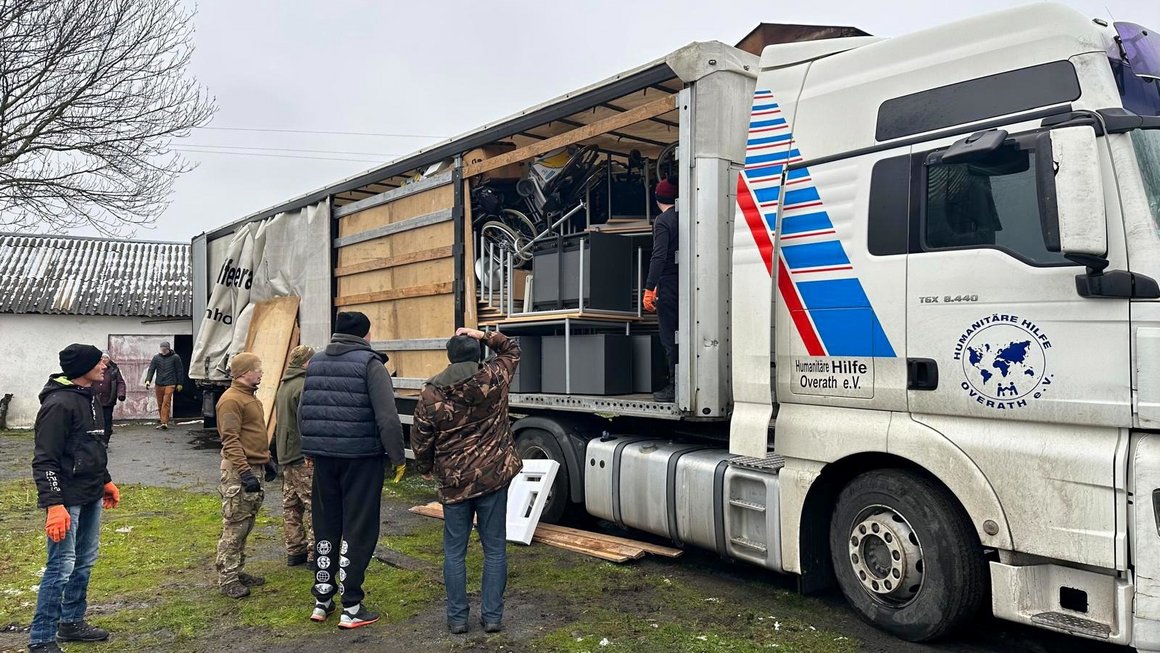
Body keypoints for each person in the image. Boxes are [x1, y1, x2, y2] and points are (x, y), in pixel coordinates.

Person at [412, 327, 523, 635]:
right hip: (493, 476)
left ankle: (458, 618)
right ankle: (492, 617)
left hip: (454, 481)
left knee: (454, 551)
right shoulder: (495, 377)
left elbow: (421, 437)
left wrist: (424, 467)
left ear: (449, 357)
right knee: (495, 549)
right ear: (477, 355)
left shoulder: (431, 392)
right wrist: (483, 334)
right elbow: (512, 348)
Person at [299, 311, 406, 629]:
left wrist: (309, 449)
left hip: (324, 458)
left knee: (326, 524)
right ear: (365, 334)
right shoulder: (370, 364)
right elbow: (387, 416)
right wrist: (398, 456)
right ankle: (352, 606)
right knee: (358, 527)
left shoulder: (316, 362)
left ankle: (322, 599)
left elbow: (304, 409)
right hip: (361, 457)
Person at [29, 344, 121, 653]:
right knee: (61, 566)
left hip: (91, 493)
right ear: (83, 367)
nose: (104, 366)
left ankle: (71, 622)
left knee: (84, 562)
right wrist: (54, 505)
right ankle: (41, 638)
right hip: (66, 499)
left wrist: (105, 481)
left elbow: (91, 446)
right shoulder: (58, 404)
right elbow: (45, 460)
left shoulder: (89, 396)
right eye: (99, 362)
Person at [214, 352, 276, 599]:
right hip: (240, 471)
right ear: (244, 373)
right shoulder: (231, 400)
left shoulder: (250, 398)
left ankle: (237, 570)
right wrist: (244, 472)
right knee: (235, 524)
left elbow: (253, 435)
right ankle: (227, 578)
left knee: (247, 522)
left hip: (254, 467)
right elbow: (230, 440)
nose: (261, 373)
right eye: (257, 369)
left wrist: (267, 460)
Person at [271, 344, 316, 569]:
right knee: (314, 504)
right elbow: (308, 422)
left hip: (286, 453)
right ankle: (315, 553)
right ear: (306, 362)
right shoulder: (304, 386)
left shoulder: (285, 385)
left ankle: (295, 549)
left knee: (291, 505)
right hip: (301, 454)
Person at [643, 177, 679, 403]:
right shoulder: (687, 216)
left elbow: (658, 256)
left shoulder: (663, 221)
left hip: (668, 285)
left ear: (658, 199)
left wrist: (649, 287)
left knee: (669, 337)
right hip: (687, 283)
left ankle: (675, 387)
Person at [144, 341, 184, 430]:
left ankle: (164, 423)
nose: (163, 351)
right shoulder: (156, 358)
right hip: (159, 383)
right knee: (160, 403)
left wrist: (180, 383)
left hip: (170, 383)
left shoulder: (175, 358)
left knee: (166, 402)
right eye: (162, 349)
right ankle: (163, 419)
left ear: (168, 349)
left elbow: (180, 370)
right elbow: (151, 369)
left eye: (165, 349)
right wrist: (148, 380)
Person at [90, 354, 126, 438]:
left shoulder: (114, 369)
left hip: (108, 400)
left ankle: (105, 438)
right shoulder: (94, 367)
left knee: (107, 420)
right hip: (95, 400)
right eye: (102, 357)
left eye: (106, 357)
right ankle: (96, 438)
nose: (104, 359)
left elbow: (120, 382)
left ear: (109, 359)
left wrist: (121, 394)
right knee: (95, 420)